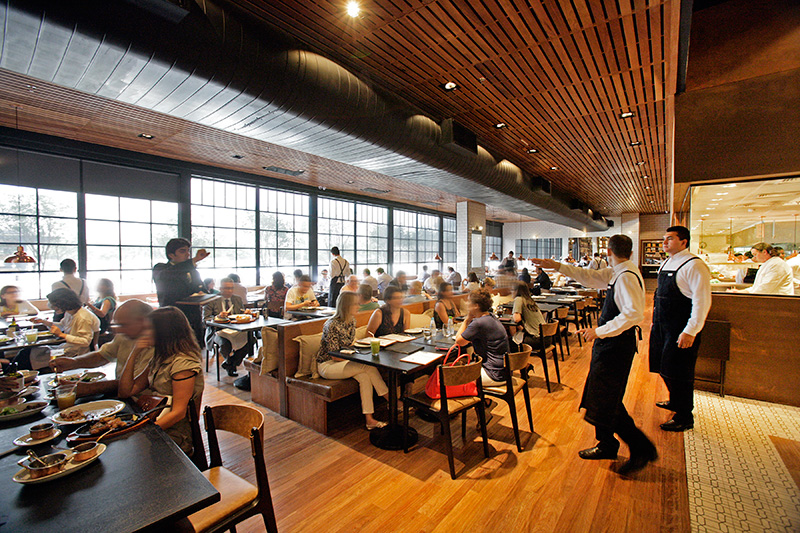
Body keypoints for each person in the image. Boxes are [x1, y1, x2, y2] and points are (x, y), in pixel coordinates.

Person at [534, 235, 657, 476]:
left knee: (605, 399)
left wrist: (598, 331)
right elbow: (590, 277)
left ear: (608, 253)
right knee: (598, 396)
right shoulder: (619, 272)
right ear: (629, 252)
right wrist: (558, 266)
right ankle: (607, 444)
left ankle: (641, 448)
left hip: (616, 347)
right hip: (609, 346)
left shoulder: (626, 276)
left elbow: (633, 315)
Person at [649, 226, 712, 433]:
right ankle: (675, 401)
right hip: (662, 326)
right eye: (664, 239)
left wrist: (691, 330)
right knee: (663, 367)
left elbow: (702, 301)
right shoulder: (666, 262)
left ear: (684, 242)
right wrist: (654, 321)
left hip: (680, 328)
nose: (664, 242)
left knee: (679, 372)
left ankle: (685, 416)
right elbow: (659, 296)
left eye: (670, 239)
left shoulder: (694, 265)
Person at [118, 306, 204, 455]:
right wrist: (134, 353)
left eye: (148, 329)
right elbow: (126, 391)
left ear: (163, 332)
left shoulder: (183, 364)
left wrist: (144, 434)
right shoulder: (160, 357)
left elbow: (178, 413)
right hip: (156, 419)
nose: (144, 334)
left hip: (174, 434)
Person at [48, 299, 154, 397]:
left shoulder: (156, 344)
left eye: (123, 325)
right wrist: (73, 362)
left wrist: (88, 388)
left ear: (142, 321)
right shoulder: (125, 335)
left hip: (141, 399)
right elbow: (103, 355)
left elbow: (133, 384)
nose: (119, 330)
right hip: (120, 394)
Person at [316, 292, 388, 430]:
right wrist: (357, 356)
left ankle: (369, 419)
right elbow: (334, 355)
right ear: (346, 306)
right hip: (327, 365)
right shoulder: (331, 325)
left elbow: (349, 345)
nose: (359, 306)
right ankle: (392, 399)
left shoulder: (351, 321)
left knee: (365, 377)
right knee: (369, 368)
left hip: (344, 362)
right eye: (355, 303)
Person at [21, 288, 100, 369]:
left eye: (55, 305)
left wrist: (61, 335)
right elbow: (62, 325)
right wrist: (44, 322)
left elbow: (85, 341)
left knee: (27, 357)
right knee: (27, 352)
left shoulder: (83, 318)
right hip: (67, 348)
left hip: (76, 353)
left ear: (63, 303)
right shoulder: (70, 313)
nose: (54, 308)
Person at [152, 238, 209, 344]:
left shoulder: (193, 271)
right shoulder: (161, 269)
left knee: (195, 351)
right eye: (182, 251)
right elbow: (171, 274)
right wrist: (193, 261)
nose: (187, 254)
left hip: (193, 318)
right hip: (171, 318)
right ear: (171, 255)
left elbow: (202, 289)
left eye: (188, 251)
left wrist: (203, 294)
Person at [454, 288, 508, 388]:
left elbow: (459, 341)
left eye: (469, 301)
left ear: (476, 306)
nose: (466, 303)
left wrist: (466, 320)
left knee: (452, 377)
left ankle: (480, 402)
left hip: (493, 374)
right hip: (504, 371)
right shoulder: (491, 317)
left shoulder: (478, 323)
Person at [203, 277, 252, 377]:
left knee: (251, 340)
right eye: (226, 288)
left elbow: (241, 315)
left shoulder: (237, 299)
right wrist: (218, 317)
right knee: (225, 343)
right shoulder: (211, 300)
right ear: (220, 288)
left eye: (231, 288)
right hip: (217, 331)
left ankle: (231, 363)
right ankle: (230, 364)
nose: (229, 291)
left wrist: (247, 314)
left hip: (236, 329)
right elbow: (205, 319)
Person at [728, 242, 794, 295]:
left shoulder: (777, 265)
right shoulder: (768, 264)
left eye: (755, 254)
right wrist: (742, 292)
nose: (754, 258)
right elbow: (757, 287)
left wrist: (746, 294)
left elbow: (765, 288)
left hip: (779, 301)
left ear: (764, 252)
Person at [511, 281, 546, 347]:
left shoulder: (518, 299)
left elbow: (517, 319)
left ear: (517, 291)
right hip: (546, 338)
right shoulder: (530, 300)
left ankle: (519, 355)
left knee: (510, 342)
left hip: (536, 339)